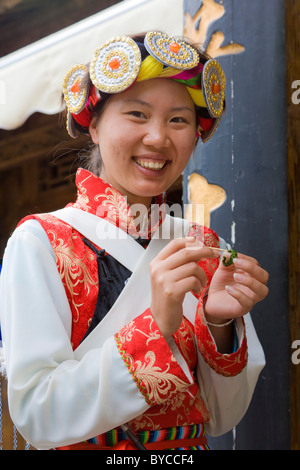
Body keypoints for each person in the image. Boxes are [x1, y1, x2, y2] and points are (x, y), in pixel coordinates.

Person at [0, 31, 268, 451]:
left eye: (179, 120)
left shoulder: (202, 244)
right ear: (93, 126)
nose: (159, 138)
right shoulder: (41, 241)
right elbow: (37, 412)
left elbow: (221, 417)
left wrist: (218, 326)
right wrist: (156, 324)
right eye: (138, 115)